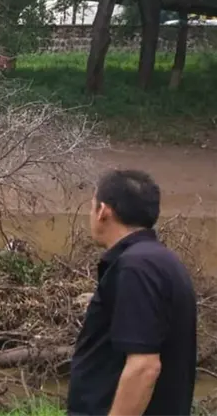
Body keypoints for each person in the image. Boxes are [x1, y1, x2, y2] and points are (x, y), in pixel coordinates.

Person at [67, 169, 197, 416]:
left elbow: (144, 366)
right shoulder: (161, 261)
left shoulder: (136, 268)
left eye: (92, 205)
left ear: (103, 211)